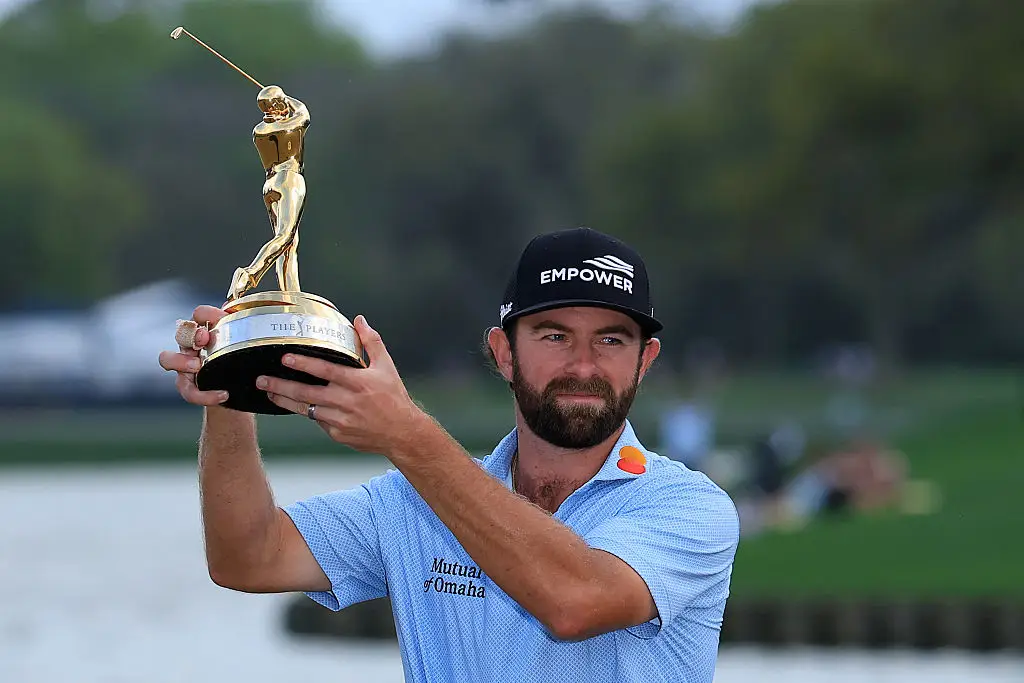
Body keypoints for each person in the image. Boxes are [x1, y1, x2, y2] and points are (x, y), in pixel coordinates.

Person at [160, 227, 740, 683]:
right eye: (554, 336)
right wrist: (227, 392)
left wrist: (406, 433)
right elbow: (248, 558)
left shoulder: (690, 506)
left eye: (611, 340)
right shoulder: (413, 499)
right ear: (503, 353)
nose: (584, 366)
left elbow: (576, 601)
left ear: (646, 359)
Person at [227, 85, 310, 300]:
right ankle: (249, 274)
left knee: (288, 245)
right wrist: (286, 98)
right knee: (285, 237)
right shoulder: (291, 124)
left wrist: (275, 100)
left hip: (270, 184)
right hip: (290, 179)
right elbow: (304, 113)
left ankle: (291, 294)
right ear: (278, 104)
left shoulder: (260, 130)